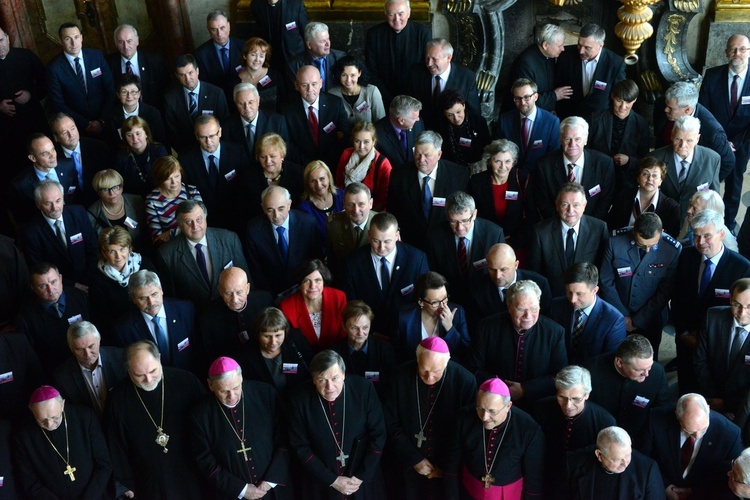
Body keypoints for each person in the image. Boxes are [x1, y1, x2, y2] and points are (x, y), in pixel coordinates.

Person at [105, 341, 207, 499]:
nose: (148, 379)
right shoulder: (118, 399)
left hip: (192, 473)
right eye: (139, 375)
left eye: (153, 371)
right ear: (127, 370)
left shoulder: (186, 381)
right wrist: (126, 483)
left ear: (159, 359)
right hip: (148, 482)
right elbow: (116, 446)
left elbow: (208, 425)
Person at [287, 350, 387, 498]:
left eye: (335, 378)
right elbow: (300, 446)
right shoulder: (299, 399)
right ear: (313, 379)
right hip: (320, 483)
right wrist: (332, 480)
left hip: (362, 480)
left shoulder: (363, 389)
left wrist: (360, 476)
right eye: (322, 380)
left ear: (344, 375)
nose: (330, 387)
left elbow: (378, 434)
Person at [384, 337, 476, 498]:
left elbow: (467, 430)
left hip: (448, 466)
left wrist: (445, 466)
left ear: (446, 363)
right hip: (407, 463)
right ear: (417, 358)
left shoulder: (465, 381)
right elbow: (390, 421)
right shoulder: (399, 377)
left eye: (436, 371)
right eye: (424, 370)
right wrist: (413, 459)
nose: (430, 377)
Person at [190, 357, 291, 499]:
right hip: (231, 493)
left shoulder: (265, 394)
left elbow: (285, 438)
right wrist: (241, 489)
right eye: (223, 391)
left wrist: (270, 480)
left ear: (241, 378)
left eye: (236, 388)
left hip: (274, 489)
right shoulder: (201, 415)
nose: (232, 396)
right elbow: (205, 461)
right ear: (210, 385)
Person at [672, 209, 750, 393]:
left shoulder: (741, 267)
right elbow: (677, 297)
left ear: (721, 234)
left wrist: (704, 341)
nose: (700, 242)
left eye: (707, 236)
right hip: (685, 337)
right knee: (685, 385)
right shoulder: (685, 256)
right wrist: (683, 331)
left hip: (717, 346)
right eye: (697, 236)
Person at [472, 280, 568, 410]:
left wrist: (525, 389)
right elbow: (474, 368)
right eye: (521, 309)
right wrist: (501, 388)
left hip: (537, 404)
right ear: (509, 306)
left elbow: (559, 376)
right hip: (493, 401)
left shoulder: (554, 332)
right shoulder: (487, 328)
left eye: (534, 308)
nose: (528, 315)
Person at [599, 212, 682, 358]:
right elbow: (606, 281)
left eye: (653, 245)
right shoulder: (615, 242)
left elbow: (665, 291)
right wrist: (623, 317)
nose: (647, 250)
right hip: (617, 313)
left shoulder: (672, 250)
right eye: (641, 244)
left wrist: (639, 320)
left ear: (662, 232)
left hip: (651, 317)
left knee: (648, 361)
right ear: (633, 232)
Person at [448, 377, 545, 498]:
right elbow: (452, 465)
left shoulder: (528, 429)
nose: (484, 417)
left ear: (508, 406)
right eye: (480, 408)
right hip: (469, 492)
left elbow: (534, 480)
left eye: (492, 411)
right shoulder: (464, 418)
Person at [12, 386, 112, 499]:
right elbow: (30, 482)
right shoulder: (23, 436)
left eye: (54, 417)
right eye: (42, 420)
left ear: (62, 405)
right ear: (31, 410)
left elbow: (104, 464)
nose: (49, 424)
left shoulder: (85, 418)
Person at [342, 212, 429, 339]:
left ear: (397, 235)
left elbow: (424, 298)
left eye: (387, 241)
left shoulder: (417, 259)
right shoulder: (353, 263)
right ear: (369, 234)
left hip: (407, 334)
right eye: (376, 241)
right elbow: (351, 303)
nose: (381, 247)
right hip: (370, 335)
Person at [641, 393, 742, 499]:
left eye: (703, 429)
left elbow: (727, 476)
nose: (698, 436)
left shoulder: (730, 434)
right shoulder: (656, 419)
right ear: (677, 416)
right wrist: (665, 486)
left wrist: (695, 492)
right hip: (659, 488)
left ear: (708, 409)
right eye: (690, 431)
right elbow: (644, 459)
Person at [535, 366, 616, 496]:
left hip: (583, 483)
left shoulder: (605, 421)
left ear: (587, 395)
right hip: (546, 475)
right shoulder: (541, 409)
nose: (568, 405)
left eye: (575, 399)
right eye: (562, 397)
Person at [699, 34, 750, 234]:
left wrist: (734, 142)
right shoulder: (712, 76)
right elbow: (703, 110)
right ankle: (706, 223)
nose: (737, 53)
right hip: (713, 142)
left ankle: (727, 226)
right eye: (733, 49)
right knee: (709, 184)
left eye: (742, 49)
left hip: (742, 143)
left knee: (734, 187)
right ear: (726, 51)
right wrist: (720, 141)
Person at [388, 130, 470, 250]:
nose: (421, 160)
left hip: (447, 243)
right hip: (411, 243)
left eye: (427, 155)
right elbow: (392, 210)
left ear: (439, 154)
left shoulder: (458, 175)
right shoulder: (399, 175)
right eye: (417, 154)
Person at [156, 200, 249, 306]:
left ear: (205, 219)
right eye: (188, 222)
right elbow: (172, 297)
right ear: (180, 226)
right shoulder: (166, 254)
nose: (195, 226)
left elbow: (245, 279)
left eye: (199, 219)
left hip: (230, 308)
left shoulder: (229, 239)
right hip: (195, 314)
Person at [528, 182, 609, 297]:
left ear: (584, 205)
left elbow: (603, 270)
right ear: (557, 205)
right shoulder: (541, 231)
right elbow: (535, 272)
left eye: (576, 205)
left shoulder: (599, 229)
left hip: (586, 298)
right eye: (565, 204)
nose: (570, 210)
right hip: (552, 298)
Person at [425, 190, 505, 305]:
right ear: (447, 216)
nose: (460, 228)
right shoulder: (434, 237)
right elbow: (433, 274)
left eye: (465, 221)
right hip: (451, 300)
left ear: (475, 214)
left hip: (485, 300)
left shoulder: (493, 234)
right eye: (453, 222)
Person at [584, 335, 671, 440]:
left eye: (649, 367)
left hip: (640, 436)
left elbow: (661, 409)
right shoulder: (591, 372)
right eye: (639, 370)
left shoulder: (657, 373)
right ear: (620, 362)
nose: (647, 374)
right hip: (599, 435)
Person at [532, 115, 616, 221]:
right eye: (568, 139)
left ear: (586, 139)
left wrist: (587, 226)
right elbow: (543, 202)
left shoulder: (604, 164)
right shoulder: (544, 165)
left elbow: (606, 201)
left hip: (593, 226)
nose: (573, 144)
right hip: (556, 226)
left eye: (578, 139)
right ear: (561, 140)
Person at [112, 270, 198, 372]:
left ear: (161, 290)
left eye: (154, 294)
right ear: (133, 299)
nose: (151, 302)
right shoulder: (123, 329)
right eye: (143, 298)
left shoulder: (185, 310)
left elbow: (197, 351)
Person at [15, 262, 90, 378]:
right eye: (43, 286)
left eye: (53, 282)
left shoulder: (79, 297)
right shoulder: (25, 317)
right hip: (55, 373)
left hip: (87, 362)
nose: (50, 290)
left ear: (60, 279)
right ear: (33, 288)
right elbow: (31, 356)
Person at [18, 179, 99, 287]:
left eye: (58, 201)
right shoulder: (30, 232)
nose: (55, 208)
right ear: (38, 204)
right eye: (48, 203)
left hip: (90, 278)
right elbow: (38, 269)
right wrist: (74, 285)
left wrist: (86, 281)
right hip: (59, 286)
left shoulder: (78, 213)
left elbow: (93, 248)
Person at [244, 185, 322, 296]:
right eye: (270, 210)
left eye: (281, 209)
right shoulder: (254, 229)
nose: (276, 215)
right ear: (263, 208)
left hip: (305, 290)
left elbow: (316, 260)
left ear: (289, 204)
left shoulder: (308, 223)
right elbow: (256, 269)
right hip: (272, 294)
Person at [178, 114, 251, 232]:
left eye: (212, 136)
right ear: (196, 136)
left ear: (220, 132)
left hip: (237, 218)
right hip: (205, 224)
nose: (208, 141)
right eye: (203, 137)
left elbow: (246, 187)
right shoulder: (186, 160)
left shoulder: (237, 152)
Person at [654, 81, 735, 185]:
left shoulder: (712, 131)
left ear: (687, 109)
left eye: (670, 108)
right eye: (666, 105)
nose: (665, 110)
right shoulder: (661, 105)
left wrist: (706, 182)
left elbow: (728, 161)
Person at [196, 267, 274, 373]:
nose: (234, 300)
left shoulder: (265, 301)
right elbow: (209, 355)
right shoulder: (208, 317)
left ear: (247, 288)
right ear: (220, 291)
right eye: (228, 293)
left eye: (239, 292)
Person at [695, 278, 750, 425]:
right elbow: (700, 361)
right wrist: (713, 399)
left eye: (749, 306)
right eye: (737, 304)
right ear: (730, 299)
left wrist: (728, 404)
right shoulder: (713, 317)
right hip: (710, 398)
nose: (742, 312)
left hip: (743, 409)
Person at [549, 262, 626, 365]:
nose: (572, 299)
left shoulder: (613, 320)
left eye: (579, 294)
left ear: (594, 290)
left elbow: (609, 362)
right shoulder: (556, 306)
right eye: (569, 292)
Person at [46, 22, 114, 137]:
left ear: (81, 38)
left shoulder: (96, 56)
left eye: (76, 37)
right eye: (68, 39)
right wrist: (86, 124)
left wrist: (101, 121)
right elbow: (58, 104)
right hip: (78, 128)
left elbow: (110, 90)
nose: (74, 43)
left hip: (106, 121)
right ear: (60, 41)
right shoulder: (54, 68)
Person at [650, 115, 722, 221]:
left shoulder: (712, 159)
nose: (683, 145)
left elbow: (713, 198)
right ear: (672, 135)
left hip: (694, 221)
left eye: (689, 140)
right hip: (662, 218)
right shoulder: (656, 158)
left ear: (697, 139)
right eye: (678, 139)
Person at [88, 226, 155, 340]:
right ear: (104, 253)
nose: (118, 256)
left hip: (151, 321)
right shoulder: (97, 279)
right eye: (112, 251)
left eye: (122, 249)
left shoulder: (145, 264)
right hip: (123, 332)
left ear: (129, 248)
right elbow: (103, 317)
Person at [466, 139, 532, 251]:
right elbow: (475, 216)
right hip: (487, 240)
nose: (502, 167)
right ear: (490, 161)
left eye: (507, 161)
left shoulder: (522, 178)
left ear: (513, 161)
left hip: (518, 241)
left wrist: (515, 241)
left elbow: (530, 214)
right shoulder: (477, 181)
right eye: (497, 161)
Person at [281, 64, 350, 169]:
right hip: (301, 167)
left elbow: (345, 136)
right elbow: (287, 144)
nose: (310, 89)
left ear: (321, 83)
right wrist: (310, 166)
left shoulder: (335, 104)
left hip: (333, 165)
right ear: (296, 85)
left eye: (314, 84)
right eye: (304, 85)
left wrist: (326, 165)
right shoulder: (286, 110)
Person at [566, 426, 665, 499]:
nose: (626, 464)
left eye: (628, 455)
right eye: (617, 459)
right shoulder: (573, 463)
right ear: (599, 455)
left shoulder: (647, 468)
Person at [0, 25, 47, 177]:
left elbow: (46, 82)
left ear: (7, 38)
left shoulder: (25, 56)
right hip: (6, 129)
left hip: (33, 120)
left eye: (0, 40)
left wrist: (30, 94)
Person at [53, 321, 127, 417]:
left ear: (99, 338)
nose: (87, 354)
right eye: (79, 349)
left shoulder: (120, 358)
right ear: (71, 348)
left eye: (91, 346)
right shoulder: (62, 376)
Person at [554, 23, 626, 121]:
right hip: (568, 117)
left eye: (587, 48)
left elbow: (618, 95)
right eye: (579, 45)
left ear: (601, 45)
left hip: (599, 121)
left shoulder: (616, 63)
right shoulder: (565, 55)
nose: (581, 51)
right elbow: (556, 83)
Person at [587, 79, 649, 190]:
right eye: (619, 100)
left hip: (627, 182)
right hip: (598, 177)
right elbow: (586, 151)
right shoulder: (595, 119)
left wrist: (629, 161)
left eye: (628, 102)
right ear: (612, 96)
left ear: (634, 100)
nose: (623, 107)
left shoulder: (641, 124)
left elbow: (645, 159)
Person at [365, 0, 431, 104]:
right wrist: (386, 97)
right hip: (382, 95)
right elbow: (371, 69)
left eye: (401, 14)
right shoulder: (374, 34)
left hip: (414, 96)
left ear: (408, 13)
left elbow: (426, 68)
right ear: (386, 15)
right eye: (392, 14)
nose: (397, 19)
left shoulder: (422, 33)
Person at [237, 306, 313, 396]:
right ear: (258, 334)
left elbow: (311, 367)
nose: (273, 342)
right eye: (267, 336)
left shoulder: (295, 341)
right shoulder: (246, 354)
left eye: (278, 335)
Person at [7, 133, 79, 227]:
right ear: (33, 158)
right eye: (45, 153)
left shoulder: (68, 165)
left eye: (53, 149)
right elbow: (22, 218)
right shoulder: (20, 185)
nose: (52, 156)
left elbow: (76, 194)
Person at [468, 243, 552, 323]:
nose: (497, 276)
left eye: (503, 269)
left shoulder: (540, 283)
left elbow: (546, 321)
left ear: (516, 265)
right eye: (492, 269)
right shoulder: (477, 289)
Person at [397, 271, 470, 362]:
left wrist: (450, 328)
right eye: (435, 302)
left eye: (445, 299)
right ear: (421, 302)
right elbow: (399, 354)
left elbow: (465, 352)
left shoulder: (457, 312)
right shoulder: (404, 317)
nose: (442, 306)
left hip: (448, 370)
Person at [407, 38, 480, 128]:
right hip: (423, 129)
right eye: (427, 58)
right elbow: (409, 104)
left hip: (452, 132)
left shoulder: (467, 77)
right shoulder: (416, 72)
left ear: (448, 58)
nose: (429, 63)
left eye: (434, 59)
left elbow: (474, 113)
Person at [164, 53, 229, 153]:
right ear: (177, 76)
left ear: (197, 71)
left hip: (215, 148)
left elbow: (225, 123)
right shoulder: (171, 98)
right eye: (182, 75)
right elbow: (172, 131)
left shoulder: (216, 93)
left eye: (190, 73)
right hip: (187, 152)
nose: (187, 78)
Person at [280, 259, 347, 351]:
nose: (312, 286)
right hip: (303, 358)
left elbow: (344, 333)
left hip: (336, 354)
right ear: (299, 284)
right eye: (306, 281)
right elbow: (290, 342)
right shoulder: (287, 306)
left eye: (318, 280)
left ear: (324, 282)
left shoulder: (339, 297)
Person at [496, 77, 560, 173]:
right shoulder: (505, 120)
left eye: (527, 97)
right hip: (512, 175)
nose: (522, 102)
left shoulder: (551, 122)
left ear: (536, 97)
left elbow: (553, 156)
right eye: (517, 98)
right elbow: (499, 150)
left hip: (540, 176)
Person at [332, 300, 396, 397]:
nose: (360, 333)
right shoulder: (335, 353)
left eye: (365, 327)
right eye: (354, 328)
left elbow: (392, 388)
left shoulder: (384, 350)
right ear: (344, 326)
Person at [606, 155, 681, 237]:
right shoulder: (623, 196)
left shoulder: (671, 207)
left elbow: (671, 237)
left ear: (661, 181)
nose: (650, 179)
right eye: (645, 174)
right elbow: (611, 225)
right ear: (638, 178)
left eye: (655, 176)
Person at [50, 112, 111, 206]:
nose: (71, 135)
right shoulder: (53, 158)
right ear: (56, 138)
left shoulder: (99, 148)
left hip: (100, 202)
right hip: (71, 206)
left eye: (73, 128)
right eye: (64, 133)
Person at [508, 23, 570, 112]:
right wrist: (554, 96)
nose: (563, 49)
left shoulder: (549, 55)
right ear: (545, 45)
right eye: (559, 46)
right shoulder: (525, 64)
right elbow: (525, 101)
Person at [106, 24, 169, 111]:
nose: (126, 47)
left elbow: (165, 90)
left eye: (129, 41)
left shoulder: (154, 61)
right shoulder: (108, 63)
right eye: (121, 42)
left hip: (153, 111)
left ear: (137, 41)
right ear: (116, 44)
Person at [222, 82, 290, 162]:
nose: (247, 107)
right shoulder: (226, 125)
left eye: (251, 102)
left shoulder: (277, 121)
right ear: (235, 103)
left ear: (258, 101)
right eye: (241, 103)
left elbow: (285, 151)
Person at [87, 169, 149, 254]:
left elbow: (146, 233)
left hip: (140, 253)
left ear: (121, 188)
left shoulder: (137, 202)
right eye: (105, 189)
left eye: (115, 187)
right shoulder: (91, 214)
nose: (112, 193)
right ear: (98, 192)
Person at [144, 155, 203, 244]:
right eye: (168, 179)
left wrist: (171, 233)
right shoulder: (152, 200)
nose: (174, 182)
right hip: (173, 246)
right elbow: (157, 238)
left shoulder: (192, 191)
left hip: (197, 240)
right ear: (159, 179)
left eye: (177, 176)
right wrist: (188, 226)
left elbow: (202, 222)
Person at [327, 183, 379, 282]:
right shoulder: (334, 225)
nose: (356, 210)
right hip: (345, 279)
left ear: (370, 203)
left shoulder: (382, 225)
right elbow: (332, 260)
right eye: (350, 204)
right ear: (343, 204)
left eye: (361, 204)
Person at [244, 132, 304, 218]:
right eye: (263, 157)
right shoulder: (248, 176)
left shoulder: (298, 173)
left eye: (272, 156)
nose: (268, 161)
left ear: (282, 155)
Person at [336, 121, 392, 212]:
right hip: (345, 206)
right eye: (357, 141)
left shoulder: (383, 164)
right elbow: (339, 184)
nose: (361, 146)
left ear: (373, 141)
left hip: (371, 212)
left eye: (366, 142)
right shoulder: (346, 154)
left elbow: (383, 199)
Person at [114, 115, 170, 197]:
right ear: (125, 138)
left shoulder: (159, 151)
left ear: (146, 134)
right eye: (129, 135)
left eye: (138, 133)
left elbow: (168, 177)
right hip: (132, 198)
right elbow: (118, 184)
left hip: (160, 196)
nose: (135, 139)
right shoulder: (121, 157)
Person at [193, 10, 243, 101]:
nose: (219, 34)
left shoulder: (243, 47)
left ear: (229, 26)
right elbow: (204, 85)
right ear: (208, 30)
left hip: (242, 97)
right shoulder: (200, 54)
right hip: (217, 100)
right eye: (214, 29)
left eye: (222, 28)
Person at [434, 89, 490, 168]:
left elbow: (487, 147)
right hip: (451, 167)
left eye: (458, 112)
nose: (456, 118)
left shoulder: (478, 122)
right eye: (450, 115)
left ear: (464, 105)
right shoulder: (440, 126)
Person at [107, 73, 167, 146]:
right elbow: (111, 145)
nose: (129, 96)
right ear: (118, 95)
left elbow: (161, 141)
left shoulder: (153, 113)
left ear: (139, 93)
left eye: (133, 92)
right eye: (124, 92)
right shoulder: (111, 116)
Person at [249, 0, 308, 75]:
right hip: (270, 60)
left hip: (294, 59)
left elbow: (305, 33)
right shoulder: (256, 5)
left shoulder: (296, 4)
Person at [286, 22, 347, 93]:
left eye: (328, 39)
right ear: (309, 45)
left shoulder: (340, 57)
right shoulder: (294, 65)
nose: (328, 44)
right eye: (322, 41)